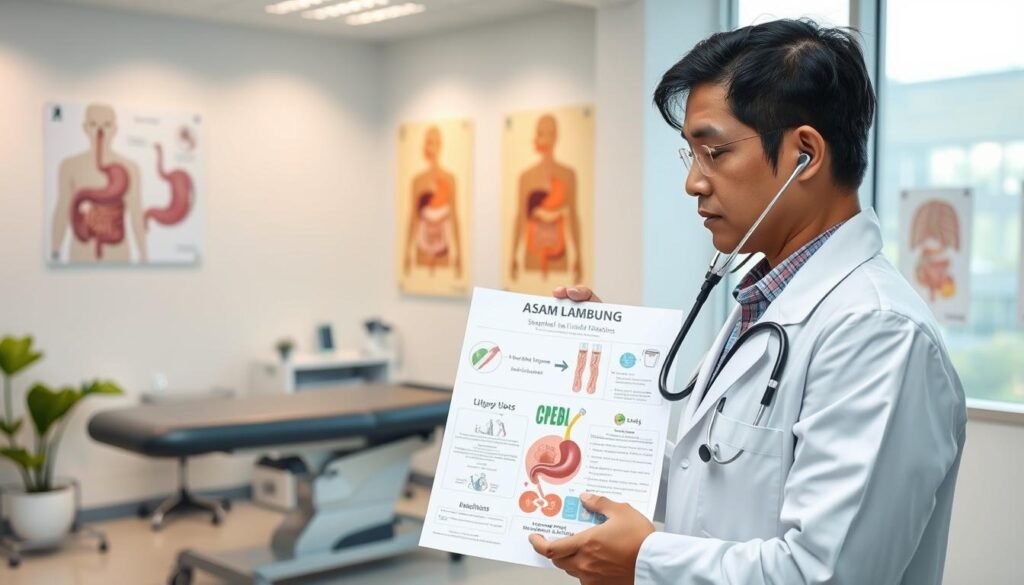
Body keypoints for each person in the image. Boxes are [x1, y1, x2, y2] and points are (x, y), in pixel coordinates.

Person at [530, 19, 966, 585]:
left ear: (804, 155)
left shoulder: (878, 333)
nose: (694, 183)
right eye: (690, 155)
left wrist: (645, 561)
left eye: (713, 152)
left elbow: (826, 574)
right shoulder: (763, 304)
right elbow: (705, 476)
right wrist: (603, 376)